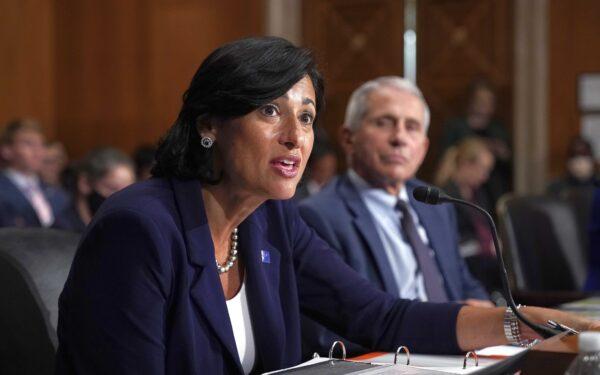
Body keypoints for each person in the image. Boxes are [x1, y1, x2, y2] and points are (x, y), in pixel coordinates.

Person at [55, 37, 598, 375]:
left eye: (308, 116)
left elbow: (382, 317)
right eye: (271, 110)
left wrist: (548, 327)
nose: (296, 137)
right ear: (208, 124)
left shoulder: (271, 222)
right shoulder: (140, 228)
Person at [298, 77, 493, 356]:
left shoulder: (436, 204)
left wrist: (481, 311)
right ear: (348, 138)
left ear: (423, 148)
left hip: (461, 355)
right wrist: (442, 332)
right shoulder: (320, 216)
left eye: (411, 127)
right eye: (384, 123)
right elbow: (329, 335)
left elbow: (462, 281)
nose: (399, 138)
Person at [435, 137, 500, 292]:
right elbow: (450, 242)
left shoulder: (480, 194)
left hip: (483, 261)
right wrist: (484, 245)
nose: (485, 177)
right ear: (466, 165)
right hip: (465, 264)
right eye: (483, 169)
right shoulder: (444, 196)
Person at [442, 79, 511, 206]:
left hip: (492, 191)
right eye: (480, 100)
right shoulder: (456, 126)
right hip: (463, 187)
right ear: (471, 101)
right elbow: (447, 152)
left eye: (489, 101)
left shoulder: (498, 129)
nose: (484, 104)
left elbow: (508, 161)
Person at [0, 119, 69, 227]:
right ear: (6, 150)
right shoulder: (3, 189)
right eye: (28, 144)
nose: (38, 151)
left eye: (42, 144)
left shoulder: (57, 192)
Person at [53, 147, 136, 233]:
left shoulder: (123, 230)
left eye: (128, 192)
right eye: (113, 189)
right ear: (85, 183)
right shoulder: (62, 229)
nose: (122, 199)